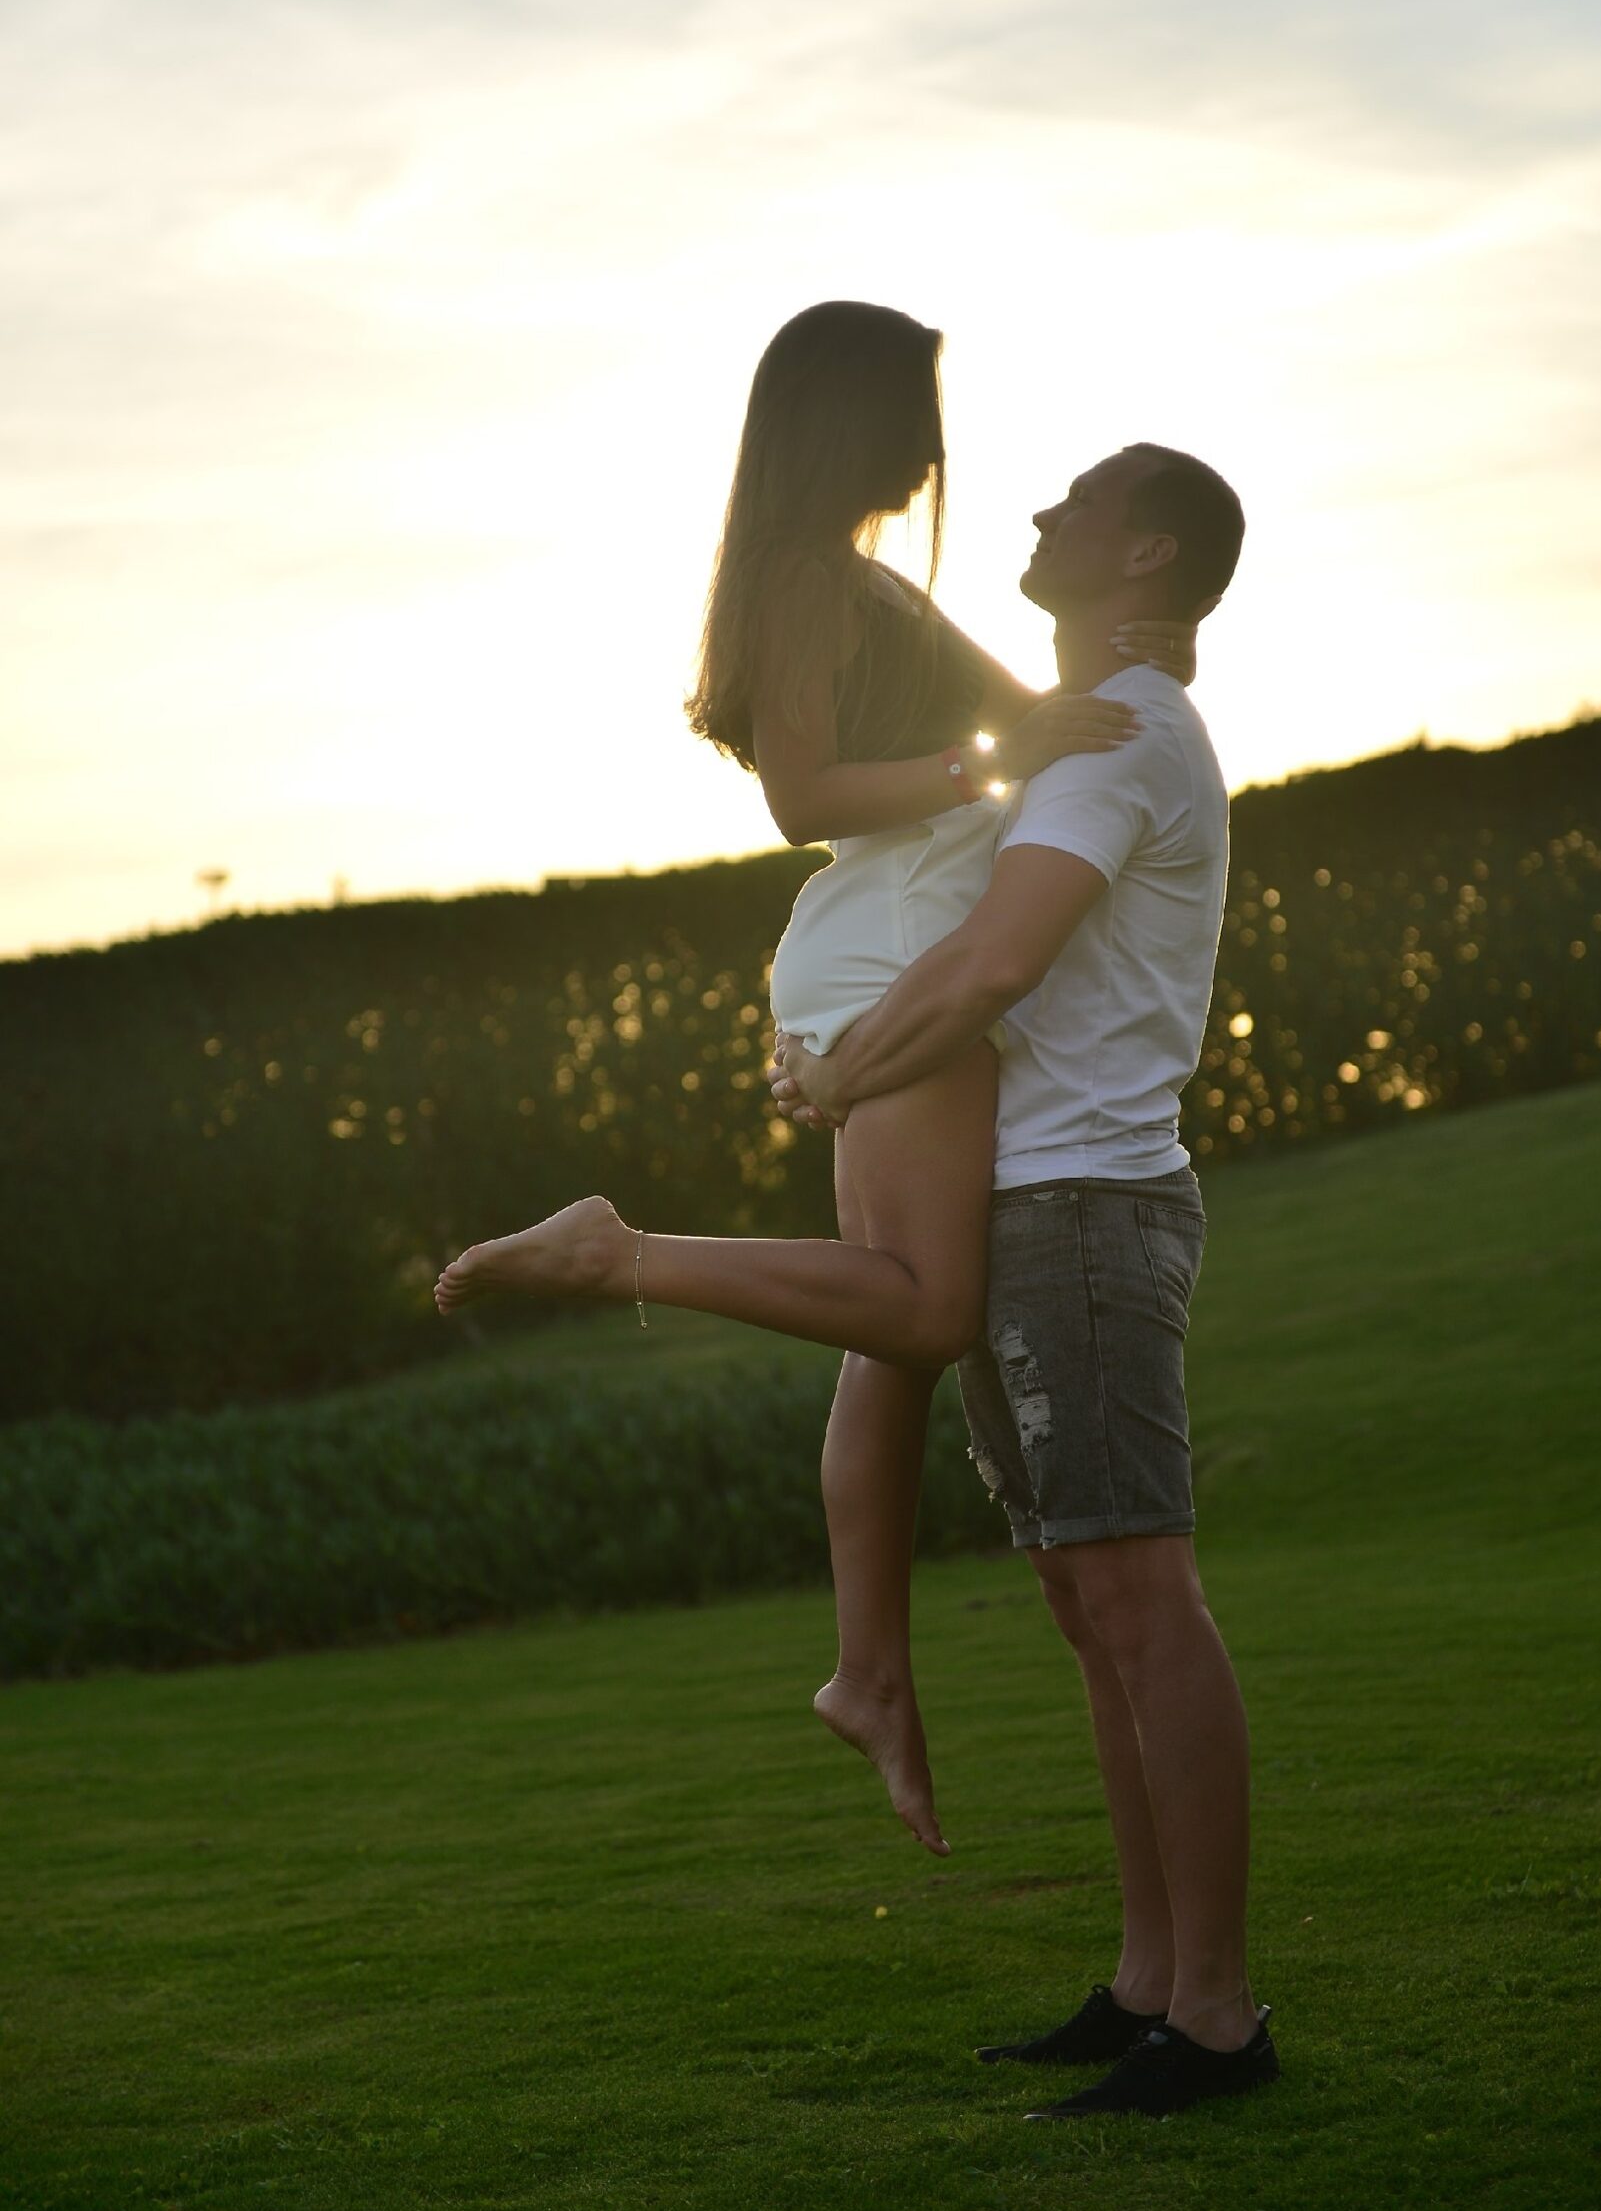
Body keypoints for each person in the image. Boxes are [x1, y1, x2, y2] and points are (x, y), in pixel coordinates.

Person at [437, 436, 1278, 2121]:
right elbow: (946, 913)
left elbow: (988, 961)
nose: (1039, 512)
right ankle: (1146, 1978)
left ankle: (1215, 2014)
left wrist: (838, 1069)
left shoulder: (1124, 738)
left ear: (1149, 553)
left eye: (1083, 502)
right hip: (1032, 1204)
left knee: (1140, 1601)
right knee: (1089, 1612)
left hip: (1086, 1208)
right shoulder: (1082, 737)